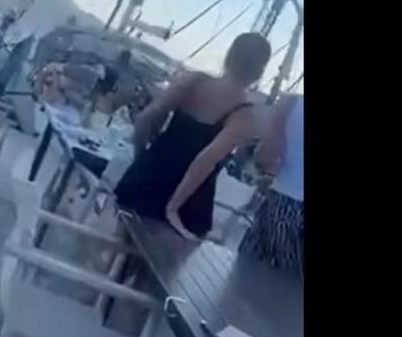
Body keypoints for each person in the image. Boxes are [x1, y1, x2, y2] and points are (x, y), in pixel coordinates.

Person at [115, 33, 272, 241]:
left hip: (147, 176)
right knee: (159, 260)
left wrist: (141, 158)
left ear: (230, 54)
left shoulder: (194, 82)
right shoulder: (243, 113)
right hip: (189, 201)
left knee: (116, 247)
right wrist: (173, 208)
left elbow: (146, 118)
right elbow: (206, 159)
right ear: (259, 70)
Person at [239, 92, 304, 278]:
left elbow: (265, 158)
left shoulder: (291, 103)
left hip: (284, 204)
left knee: (247, 274)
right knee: (292, 286)